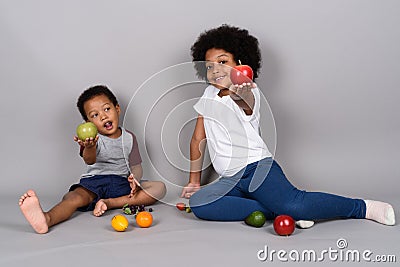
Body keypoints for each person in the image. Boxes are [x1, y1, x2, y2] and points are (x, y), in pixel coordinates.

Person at [180, 24, 395, 227]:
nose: (215, 70)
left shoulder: (248, 90)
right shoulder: (208, 95)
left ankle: (361, 207)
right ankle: (275, 210)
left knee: (294, 203)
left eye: (223, 61)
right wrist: (194, 181)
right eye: (209, 66)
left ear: (240, 63)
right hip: (230, 179)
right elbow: (198, 140)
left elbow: (246, 105)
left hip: (257, 169)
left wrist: (242, 94)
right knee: (200, 203)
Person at [19, 85, 166, 234]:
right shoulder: (91, 139)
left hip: (122, 183)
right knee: (74, 197)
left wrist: (135, 178)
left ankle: (109, 203)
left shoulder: (129, 138)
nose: (103, 116)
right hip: (95, 182)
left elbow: (136, 166)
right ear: (87, 123)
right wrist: (89, 146)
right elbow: (89, 160)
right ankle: (47, 218)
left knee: (159, 188)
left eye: (107, 109)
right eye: (94, 115)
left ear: (117, 109)